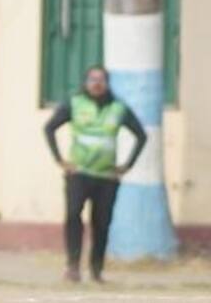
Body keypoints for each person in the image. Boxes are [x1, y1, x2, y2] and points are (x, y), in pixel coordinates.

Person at [43, 66, 147, 284]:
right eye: (92, 79)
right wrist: (60, 160)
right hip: (78, 173)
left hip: (106, 177)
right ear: (85, 82)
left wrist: (127, 165)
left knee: (101, 223)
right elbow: (50, 128)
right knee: (73, 216)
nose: (96, 84)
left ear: (108, 83)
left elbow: (141, 135)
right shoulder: (75, 104)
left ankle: (96, 270)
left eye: (101, 80)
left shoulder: (118, 108)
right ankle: (72, 266)